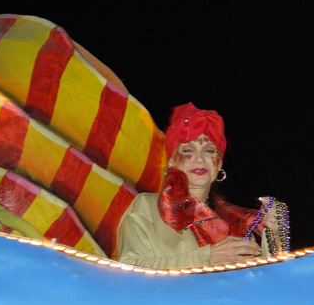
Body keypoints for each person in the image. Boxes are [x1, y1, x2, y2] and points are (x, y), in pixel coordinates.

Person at [117, 103, 287, 268]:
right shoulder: (148, 207)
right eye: (188, 151)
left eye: (209, 151)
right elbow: (130, 269)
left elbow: (258, 283)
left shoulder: (238, 223)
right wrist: (206, 258)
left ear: (219, 163)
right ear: (172, 161)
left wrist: (274, 237)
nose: (199, 159)